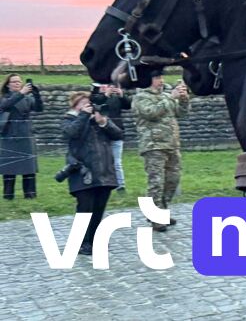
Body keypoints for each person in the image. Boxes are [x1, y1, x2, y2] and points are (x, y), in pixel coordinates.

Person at [61, 92, 123, 255]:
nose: (88, 105)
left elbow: (118, 134)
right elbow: (70, 133)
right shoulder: (69, 119)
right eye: (83, 103)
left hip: (104, 171)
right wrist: (83, 116)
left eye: (88, 103)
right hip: (82, 171)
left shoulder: (98, 118)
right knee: (84, 208)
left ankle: (95, 240)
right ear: (75, 106)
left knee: (98, 209)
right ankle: (82, 242)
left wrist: (104, 122)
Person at [132, 72, 189, 231]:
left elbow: (182, 113)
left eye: (161, 78)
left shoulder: (165, 96)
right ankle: (155, 217)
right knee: (156, 182)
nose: (161, 81)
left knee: (172, 180)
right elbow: (151, 113)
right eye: (157, 78)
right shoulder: (141, 97)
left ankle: (161, 211)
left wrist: (183, 98)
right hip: (153, 145)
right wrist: (171, 97)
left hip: (172, 145)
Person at [1, 73, 41, 199]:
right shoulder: (4, 97)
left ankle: (30, 195)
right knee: (10, 167)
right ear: (8, 85)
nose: (17, 83)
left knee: (29, 167)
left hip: (26, 135)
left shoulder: (27, 98)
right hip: (10, 136)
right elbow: (5, 105)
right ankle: (8, 195)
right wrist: (21, 93)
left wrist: (37, 95)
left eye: (19, 81)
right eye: (14, 82)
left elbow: (39, 109)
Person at [91, 84, 131, 192]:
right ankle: (102, 185)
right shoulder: (94, 96)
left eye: (109, 85)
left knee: (117, 162)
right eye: (105, 85)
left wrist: (122, 95)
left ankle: (120, 185)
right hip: (100, 134)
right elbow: (96, 103)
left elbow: (128, 105)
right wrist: (106, 95)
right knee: (100, 161)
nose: (107, 87)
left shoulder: (115, 98)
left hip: (116, 133)